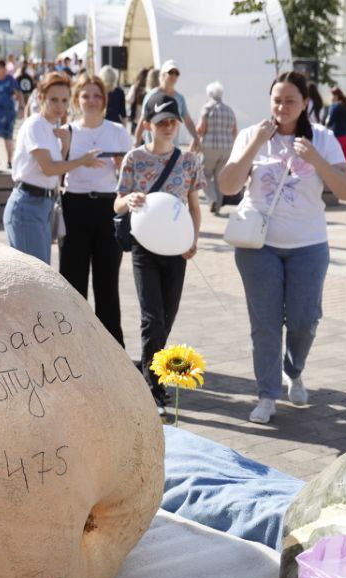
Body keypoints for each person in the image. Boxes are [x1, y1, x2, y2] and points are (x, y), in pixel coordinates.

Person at [218, 70, 346, 425]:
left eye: (290, 100)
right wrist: (254, 145)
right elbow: (228, 185)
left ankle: (293, 371)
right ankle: (267, 395)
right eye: (277, 100)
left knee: (304, 320)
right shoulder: (253, 134)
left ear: (306, 103)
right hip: (257, 245)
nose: (282, 107)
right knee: (264, 324)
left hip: (308, 245)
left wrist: (316, 160)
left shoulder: (322, 139)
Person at [116, 94, 205, 416]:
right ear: (148, 125)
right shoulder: (134, 159)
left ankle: (150, 370)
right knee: (151, 318)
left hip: (176, 249)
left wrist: (193, 239)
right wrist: (130, 201)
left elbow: (194, 207)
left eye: (173, 121)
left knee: (167, 318)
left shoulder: (188, 161)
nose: (168, 127)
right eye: (161, 122)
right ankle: (154, 388)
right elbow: (117, 203)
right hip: (144, 247)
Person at [59, 74, 133, 346]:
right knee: (73, 282)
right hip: (75, 205)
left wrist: (122, 162)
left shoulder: (117, 130)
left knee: (107, 283)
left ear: (105, 100)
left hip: (107, 207)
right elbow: (56, 170)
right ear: (77, 99)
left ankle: (112, 348)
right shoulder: (68, 130)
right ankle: (74, 346)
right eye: (86, 95)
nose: (91, 101)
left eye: (97, 95)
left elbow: (132, 171)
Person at [4, 72, 103, 262]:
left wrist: (65, 146)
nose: (61, 106)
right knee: (35, 276)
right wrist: (82, 160)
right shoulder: (35, 124)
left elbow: (54, 174)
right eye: (54, 100)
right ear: (41, 98)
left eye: (65, 100)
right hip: (28, 203)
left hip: (43, 203)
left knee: (40, 273)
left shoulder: (50, 126)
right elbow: (49, 168)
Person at [134, 60, 200, 152]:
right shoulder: (151, 96)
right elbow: (143, 120)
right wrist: (136, 142)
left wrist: (196, 138)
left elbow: (188, 121)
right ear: (163, 74)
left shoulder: (180, 98)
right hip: (153, 149)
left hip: (172, 150)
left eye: (176, 73)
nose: (173, 75)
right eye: (171, 72)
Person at [195, 81, 237, 215]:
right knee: (220, 177)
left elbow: (201, 129)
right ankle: (218, 206)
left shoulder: (207, 108)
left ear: (209, 94)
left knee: (204, 174)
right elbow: (235, 131)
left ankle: (212, 199)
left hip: (210, 146)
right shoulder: (229, 110)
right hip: (227, 148)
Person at [326, 86, 346, 173]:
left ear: (335, 96)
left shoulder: (335, 107)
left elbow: (329, 122)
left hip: (338, 138)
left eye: (331, 95)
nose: (331, 98)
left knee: (334, 162)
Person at [126, 66, 150, 132]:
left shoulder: (135, 87)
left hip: (136, 118)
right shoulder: (149, 89)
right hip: (147, 120)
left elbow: (129, 99)